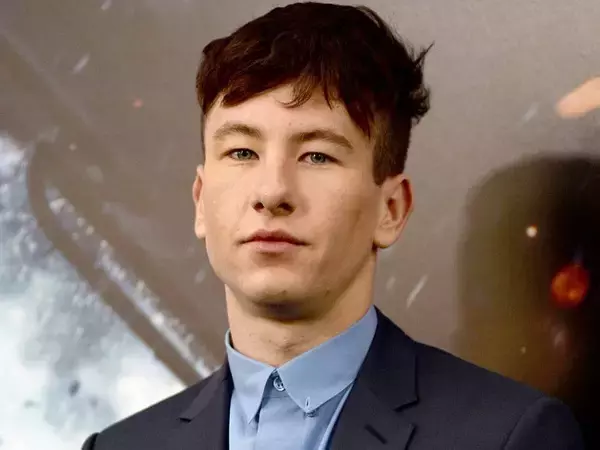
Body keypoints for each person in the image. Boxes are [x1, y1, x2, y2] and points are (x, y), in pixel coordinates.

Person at [82, 2, 584, 449]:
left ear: (391, 209)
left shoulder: (510, 436)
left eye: (317, 156)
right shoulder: (118, 447)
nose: (271, 192)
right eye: (241, 152)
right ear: (199, 200)